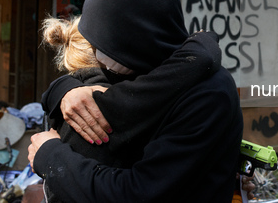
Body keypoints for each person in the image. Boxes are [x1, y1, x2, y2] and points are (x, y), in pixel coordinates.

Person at [28, 0, 244, 203]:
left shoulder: (208, 96)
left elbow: (141, 194)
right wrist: (67, 91)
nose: (97, 56)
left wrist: (53, 158)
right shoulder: (132, 68)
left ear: (138, 40)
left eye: (105, 46)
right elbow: (66, 86)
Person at [39, 15, 223, 202]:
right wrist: (204, 40)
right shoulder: (124, 99)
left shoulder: (66, 105)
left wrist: (60, 90)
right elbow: (136, 191)